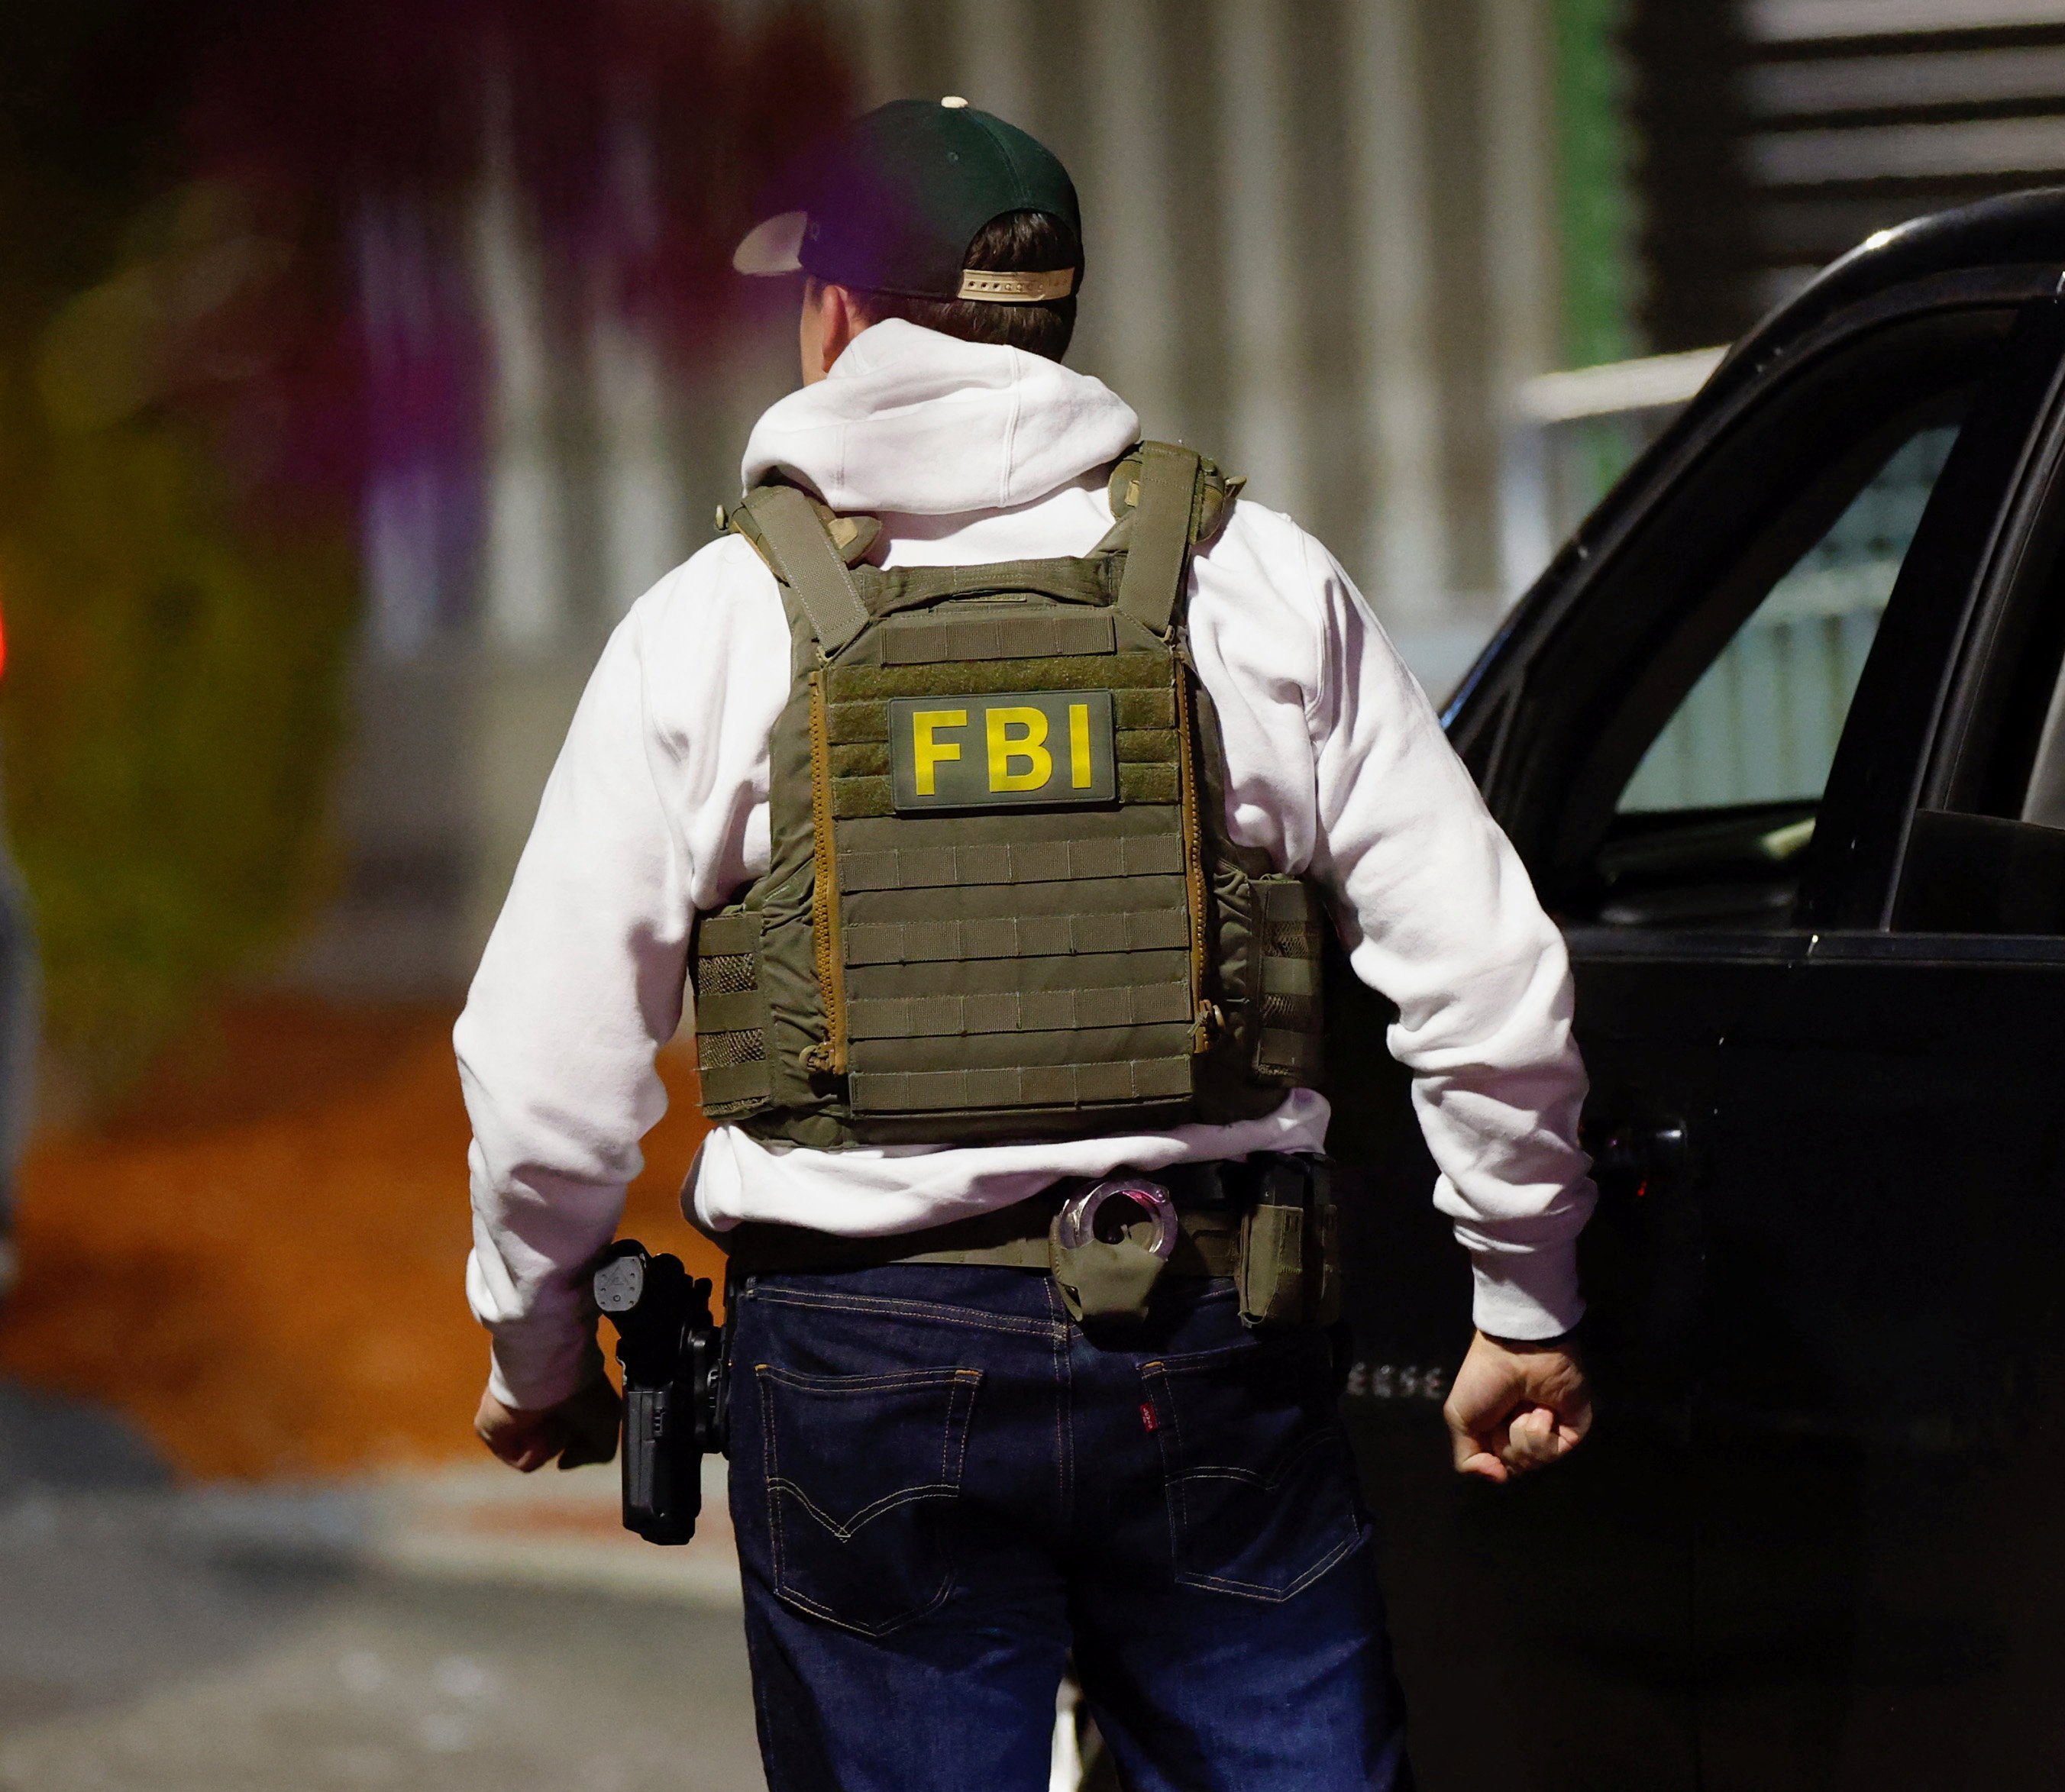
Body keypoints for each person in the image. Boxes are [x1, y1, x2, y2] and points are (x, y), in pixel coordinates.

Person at [456, 96, 1594, 1791]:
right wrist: (1523, 1295)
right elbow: (1489, 981)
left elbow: (546, 1074)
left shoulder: (706, 631)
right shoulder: (1253, 581)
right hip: (1211, 1337)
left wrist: (537, 1349)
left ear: (838, 313)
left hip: (859, 1367)